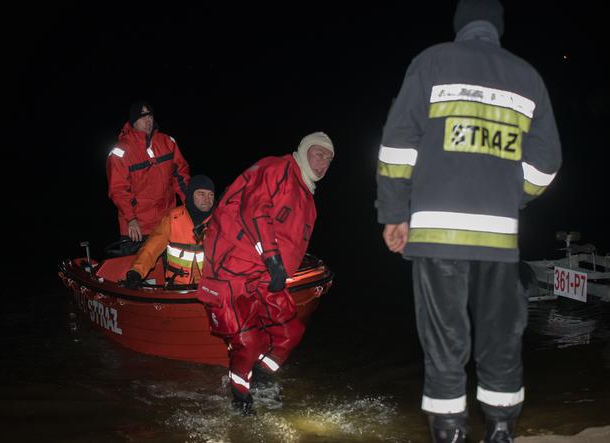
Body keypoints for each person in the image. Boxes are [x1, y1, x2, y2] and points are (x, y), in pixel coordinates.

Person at [375, 1, 562, 441]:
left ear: (460, 25)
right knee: (501, 337)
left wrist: (395, 214)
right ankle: (500, 431)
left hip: (436, 234)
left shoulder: (431, 62)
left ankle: (450, 433)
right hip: (497, 237)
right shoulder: (527, 77)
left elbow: (397, 147)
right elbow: (548, 161)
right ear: (497, 27)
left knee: (444, 343)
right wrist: (514, 194)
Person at [195, 131, 334, 415]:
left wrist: (278, 269)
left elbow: (292, 242)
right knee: (248, 341)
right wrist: (272, 260)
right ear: (304, 150)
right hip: (232, 269)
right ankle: (239, 395)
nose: (323, 163)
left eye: (329, 159)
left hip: (266, 276)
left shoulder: (309, 200)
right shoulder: (277, 168)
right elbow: (254, 210)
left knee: (290, 332)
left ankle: (260, 375)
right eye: (319, 154)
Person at [107, 100, 190, 256]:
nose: (148, 121)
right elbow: (118, 190)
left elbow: (181, 176)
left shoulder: (168, 142)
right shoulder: (120, 152)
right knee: (135, 275)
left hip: (166, 224)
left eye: (150, 116)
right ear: (133, 122)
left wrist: (190, 204)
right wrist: (131, 219)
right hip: (136, 229)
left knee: (172, 273)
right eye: (142, 117)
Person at [124, 175, 215, 289]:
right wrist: (136, 272)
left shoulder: (220, 222)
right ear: (191, 195)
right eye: (201, 194)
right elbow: (151, 248)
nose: (207, 199)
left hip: (211, 288)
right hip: (177, 288)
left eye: (211, 194)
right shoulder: (173, 218)